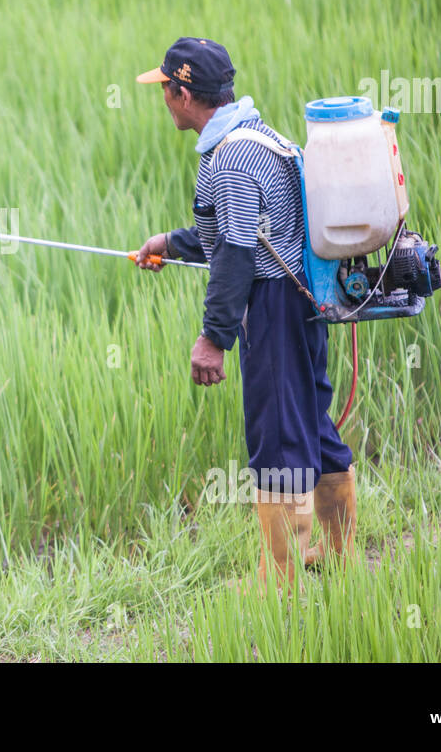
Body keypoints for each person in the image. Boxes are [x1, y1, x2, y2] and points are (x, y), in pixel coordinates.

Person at [134, 36, 357, 591]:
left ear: (184, 93)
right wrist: (172, 242)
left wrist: (214, 339)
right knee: (309, 420)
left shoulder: (229, 157)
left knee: (278, 436)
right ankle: (338, 555)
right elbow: (239, 229)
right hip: (302, 294)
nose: (162, 97)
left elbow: (235, 253)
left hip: (273, 306)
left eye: (165, 87)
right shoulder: (257, 136)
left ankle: (280, 583)